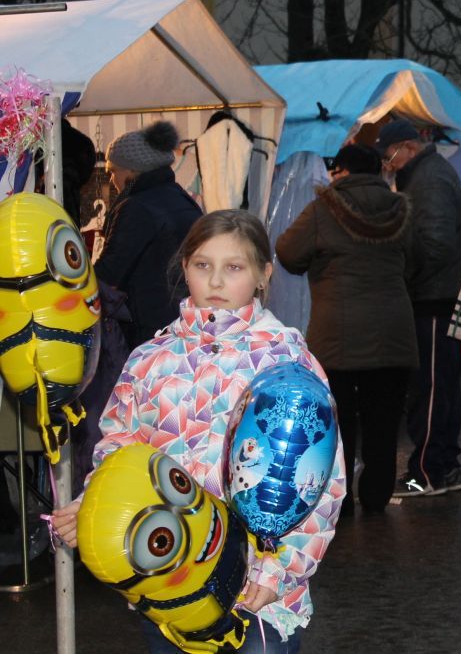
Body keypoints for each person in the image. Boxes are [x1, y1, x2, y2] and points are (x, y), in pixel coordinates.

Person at [52, 209, 345, 653]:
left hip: (256, 594)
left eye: (234, 267)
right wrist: (90, 505)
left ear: (263, 275)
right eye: (203, 265)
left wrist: (280, 570)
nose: (216, 282)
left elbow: (320, 482)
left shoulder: (287, 362)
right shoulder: (151, 359)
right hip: (169, 583)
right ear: (184, 267)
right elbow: (119, 454)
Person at [276, 144, 418, 515]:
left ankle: (339, 503)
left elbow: (288, 252)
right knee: (384, 419)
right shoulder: (401, 209)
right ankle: (376, 497)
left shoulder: (323, 209)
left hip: (336, 334)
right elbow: (419, 259)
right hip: (393, 330)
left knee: (337, 422)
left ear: (341, 171)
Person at [375, 118, 461, 498]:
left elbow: (434, 244)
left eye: (390, 156)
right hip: (437, 295)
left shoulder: (428, 180)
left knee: (430, 388)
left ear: (408, 148)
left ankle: (428, 471)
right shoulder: (427, 174)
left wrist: (405, 278)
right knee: (441, 386)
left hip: (433, 298)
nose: (389, 164)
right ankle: (444, 466)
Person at [95, 120, 202, 349]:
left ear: (132, 169)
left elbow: (108, 274)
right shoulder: (183, 199)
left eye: (113, 171)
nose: (111, 180)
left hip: (149, 327)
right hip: (187, 320)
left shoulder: (136, 207)